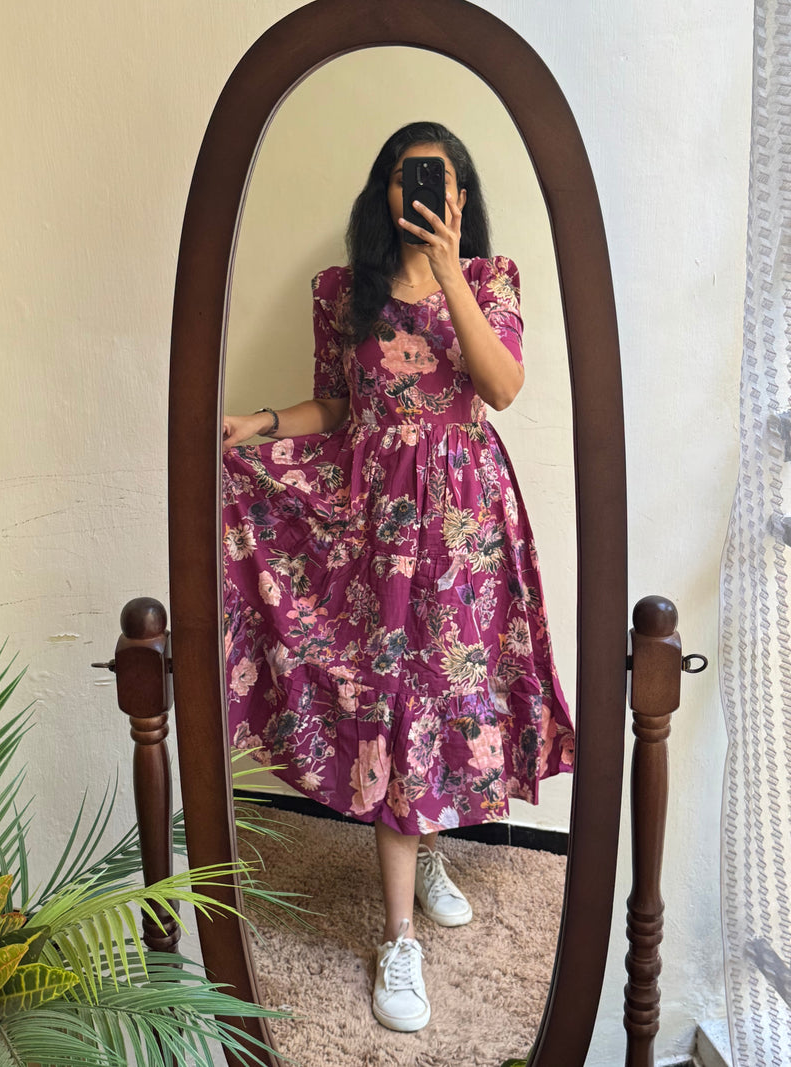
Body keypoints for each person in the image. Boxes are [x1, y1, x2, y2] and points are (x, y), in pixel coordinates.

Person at [221, 121, 574, 1033]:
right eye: (407, 178)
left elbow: (501, 387)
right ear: (383, 190)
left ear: (461, 197)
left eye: (441, 181)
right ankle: (398, 934)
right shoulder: (344, 292)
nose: (423, 193)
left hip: (464, 522)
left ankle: (422, 850)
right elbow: (339, 404)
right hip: (374, 518)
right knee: (389, 697)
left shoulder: (490, 280)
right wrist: (259, 424)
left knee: (449, 693)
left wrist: (450, 268)